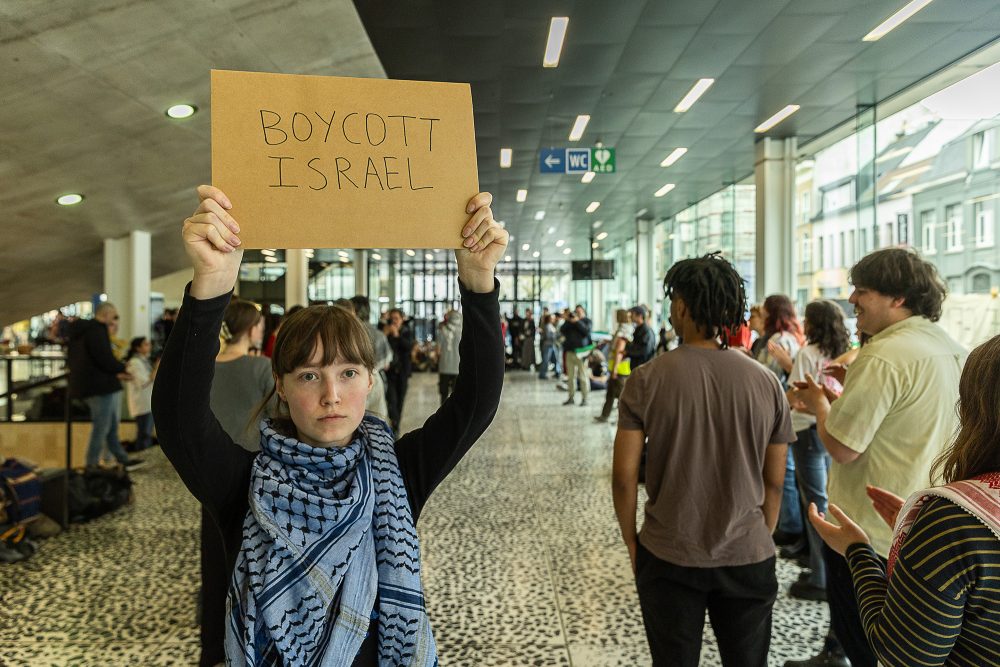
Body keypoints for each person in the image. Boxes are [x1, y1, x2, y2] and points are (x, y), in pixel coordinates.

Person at [153, 185, 506, 666]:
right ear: (280, 385)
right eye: (309, 375)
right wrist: (212, 283)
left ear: (370, 380)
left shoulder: (392, 476)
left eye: (348, 373)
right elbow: (179, 418)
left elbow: (476, 401)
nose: (331, 394)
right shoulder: (246, 484)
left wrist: (479, 280)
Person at [613, 253, 794, 667]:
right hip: (748, 553)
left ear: (679, 306)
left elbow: (624, 478)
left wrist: (631, 540)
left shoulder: (646, 379)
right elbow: (774, 483)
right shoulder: (766, 382)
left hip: (669, 551)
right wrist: (757, 534)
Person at [788, 248, 966, 667]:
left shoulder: (882, 354)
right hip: (927, 522)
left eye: (862, 291)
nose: (851, 300)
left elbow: (843, 447)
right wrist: (849, 392)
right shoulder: (953, 348)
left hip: (868, 531)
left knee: (864, 639)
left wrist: (818, 403)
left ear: (898, 298)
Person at [808, 332, 1000, 666]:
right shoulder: (947, 346)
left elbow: (903, 654)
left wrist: (857, 551)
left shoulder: (955, 522)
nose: (852, 299)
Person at [200, 297, 275, 667]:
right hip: (254, 472)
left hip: (212, 474)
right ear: (252, 327)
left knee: (213, 561)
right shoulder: (261, 367)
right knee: (250, 561)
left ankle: (213, 645)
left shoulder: (207, 368)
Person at [780, 301, 850, 603]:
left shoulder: (808, 354)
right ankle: (823, 570)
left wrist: (790, 397)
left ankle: (820, 574)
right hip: (834, 429)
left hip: (808, 431)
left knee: (814, 505)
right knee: (829, 500)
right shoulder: (848, 354)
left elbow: (796, 395)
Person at [756, 294, 806, 554]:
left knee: (780, 472)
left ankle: (787, 524)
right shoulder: (791, 337)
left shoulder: (778, 340)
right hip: (787, 407)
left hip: (778, 408)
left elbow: (766, 375)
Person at [67, 302, 143, 471]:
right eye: (115, 316)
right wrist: (122, 367)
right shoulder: (97, 330)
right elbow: (104, 358)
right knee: (102, 428)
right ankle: (91, 464)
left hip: (87, 385)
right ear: (106, 314)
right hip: (100, 387)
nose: (115, 320)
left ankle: (121, 458)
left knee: (109, 427)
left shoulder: (81, 332)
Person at [349, 295, 392, 420]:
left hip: (352, 383)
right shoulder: (378, 334)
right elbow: (387, 361)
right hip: (376, 380)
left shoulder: (347, 333)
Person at [596, 309, 633, 423]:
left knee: (621, 396)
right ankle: (605, 415)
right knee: (610, 394)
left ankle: (623, 419)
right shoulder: (626, 329)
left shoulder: (623, 331)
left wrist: (615, 369)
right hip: (616, 368)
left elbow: (619, 351)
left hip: (620, 369)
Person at [123, 336, 156, 452]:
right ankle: (141, 456)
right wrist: (157, 367)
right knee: (144, 434)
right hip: (141, 404)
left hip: (148, 403)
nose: (149, 346)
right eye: (145, 344)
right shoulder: (134, 362)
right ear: (138, 348)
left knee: (147, 433)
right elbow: (144, 381)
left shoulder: (144, 361)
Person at [384, 307, 414, 433]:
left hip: (402, 371)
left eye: (397, 318)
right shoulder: (386, 332)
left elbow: (408, 347)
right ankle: (393, 422)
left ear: (402, 319)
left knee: (400, 401)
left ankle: (396, 426)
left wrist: (396, 335)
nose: (394, 321)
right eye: (392, 318)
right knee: (392, 400)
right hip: (390, 371)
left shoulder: (407, 332)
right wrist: (386, 334)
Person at [560, 307, 591, 406]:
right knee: (570, 377)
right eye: (576, 312)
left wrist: (577, 321)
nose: (577, 313)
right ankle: (571, 397)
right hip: (570, 351)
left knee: (583, 376)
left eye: (579, 312)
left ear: (583, 312)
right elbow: (562, 330)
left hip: (581, 353)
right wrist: (568, 320)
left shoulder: (587, 321)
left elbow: (586, 332)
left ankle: (585, 398)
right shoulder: (570, 322)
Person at [436, 309, 462, 404]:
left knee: (444, 393)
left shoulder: (442, 330)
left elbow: (438, 350)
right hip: (458, 367)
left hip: (444, 366)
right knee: (456, 393)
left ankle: (443, 413)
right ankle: (455, 414)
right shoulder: (463, 331)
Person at [538, 314, 561, 379]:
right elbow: (548, 336)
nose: (554, 319)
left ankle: (557, 372)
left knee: (556, 359)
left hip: (552, 345)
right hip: (548, 345)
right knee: (546, 360)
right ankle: (542, 374)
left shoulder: (551, 326)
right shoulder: (547, 326)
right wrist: (556, 336)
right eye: (552, 318)